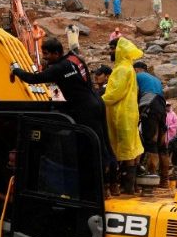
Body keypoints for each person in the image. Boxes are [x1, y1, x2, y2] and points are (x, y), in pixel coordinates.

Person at [11, 37, 114, 191]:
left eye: (46, 54)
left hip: (84, 108)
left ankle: (101, 187)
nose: (44, 57)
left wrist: (16, 70)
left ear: (57, 53)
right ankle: (112, 183)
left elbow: (33, 79)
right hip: (96, 102)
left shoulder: (59, 68)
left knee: (90, 147)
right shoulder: (75, 58)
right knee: (104, 142)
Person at [103, 37, 144, 194]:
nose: (110, 51)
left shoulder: (121, 69)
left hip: (121, 114)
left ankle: (123, 187)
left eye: (113, 48)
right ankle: (130, 187)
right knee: (132, 149)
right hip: (130, 112)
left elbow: (115, 93)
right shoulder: (129, 68)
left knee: (121, 149)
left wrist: (99, 101)